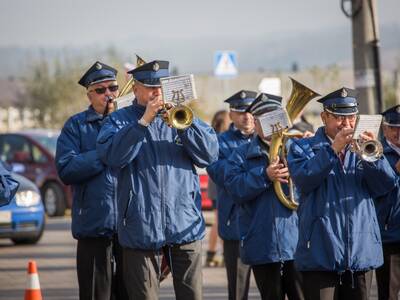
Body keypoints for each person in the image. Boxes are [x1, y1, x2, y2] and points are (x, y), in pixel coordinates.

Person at [96, 60, 219, 300]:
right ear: (135, 89)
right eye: (149, 87)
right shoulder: (118, 120)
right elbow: (112, 157)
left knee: (192, 295)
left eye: (161, 86)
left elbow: (209, 155)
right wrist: (143, 123)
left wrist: (186, 127)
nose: (156, 92)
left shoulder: (183, 116)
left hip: (184, 222)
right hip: (140, 225)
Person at [287, 87, 397, 300]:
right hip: (320, 253)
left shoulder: (365, 149)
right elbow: (304, 180)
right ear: (323, 117)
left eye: (351, 117)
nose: (346, 124)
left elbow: (385, 186)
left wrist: (372, 159)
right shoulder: (301, 147)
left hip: (360, 252)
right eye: (339, 117)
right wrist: (332, 150)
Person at [56, 61, 127, 300]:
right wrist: (106, 151)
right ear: (88, 94)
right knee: (96, 295)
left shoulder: (132, 122)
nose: (108, 94)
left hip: (132, 227)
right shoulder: (75, 125)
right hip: (94, 226)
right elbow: (66, 169)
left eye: (113, 88)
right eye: (100, 90)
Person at [223, 93, 304, 300]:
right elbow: (235, 189)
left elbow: (311, 183)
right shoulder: (241, 154)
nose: (272, 123)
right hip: (262, 244)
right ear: (256, 123)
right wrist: (264, 175)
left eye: (275, 117)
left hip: (297, 243)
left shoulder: (297, 148)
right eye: (264, 119)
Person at [207, 90, 257, 300]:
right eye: (240, 111)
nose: (246, 116)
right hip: (235, 223)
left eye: (251, 111)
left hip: (265, 222)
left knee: (276, 288)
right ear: (231, 114)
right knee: (237, 290)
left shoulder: (272, 138)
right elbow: (224, 176)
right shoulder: (218, 142)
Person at [375, 104, 400, 300]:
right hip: (390, 237)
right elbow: (376, 187)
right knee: (388, 295)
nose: (399, 132)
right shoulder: (376, 152)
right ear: (384, 128)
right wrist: (396, 171)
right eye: (394, 127)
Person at [205, 110, 231, 268]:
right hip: (217, 186)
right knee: (219, 221)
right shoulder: (219, 139)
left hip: (215, 184)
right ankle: (216, 253)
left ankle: (212, 253)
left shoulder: (215, 136)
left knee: (219, 220)